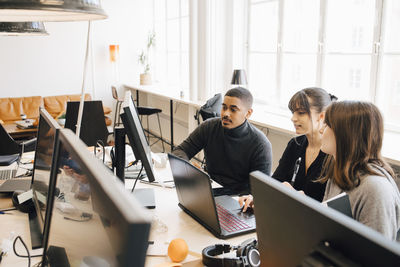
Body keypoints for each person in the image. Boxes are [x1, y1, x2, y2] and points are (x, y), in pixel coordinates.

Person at [240, 87, 337, 211]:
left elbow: (330, 208)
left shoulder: (332, 154)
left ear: (322, 116)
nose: (293, 118)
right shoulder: (295, 144)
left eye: (301, 113)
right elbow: (276, 182)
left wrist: (296, 197)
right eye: (293, 112)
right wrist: (258, 197)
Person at [319, 101, 400, 241]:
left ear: (345, 134)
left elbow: (376, 256)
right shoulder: (339, 171)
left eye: (326, 125)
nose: (320, 130)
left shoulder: (375, 189)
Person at [172, 87, 272, 195]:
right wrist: (190, 170)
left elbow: (260, 190)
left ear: (248, 113)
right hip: (209, 189)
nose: (225, 114)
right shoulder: (209, 126)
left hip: (238, 198)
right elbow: (180, 151)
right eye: (224, 107)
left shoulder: (261, 145)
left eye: (233, 110)